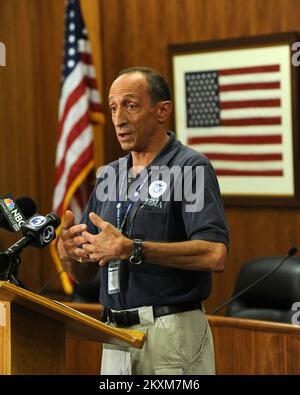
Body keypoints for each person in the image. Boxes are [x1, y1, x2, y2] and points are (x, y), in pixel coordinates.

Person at [58, 67, 229, 375]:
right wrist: (68, 253)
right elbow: (84, 274)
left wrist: (132, 249)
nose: (119, 118)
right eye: (112, 108)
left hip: (169, 333)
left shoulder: (190, 168)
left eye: (130, 105)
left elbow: (214, 254)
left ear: (162, 111)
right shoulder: (109, 175)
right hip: (114, 335)